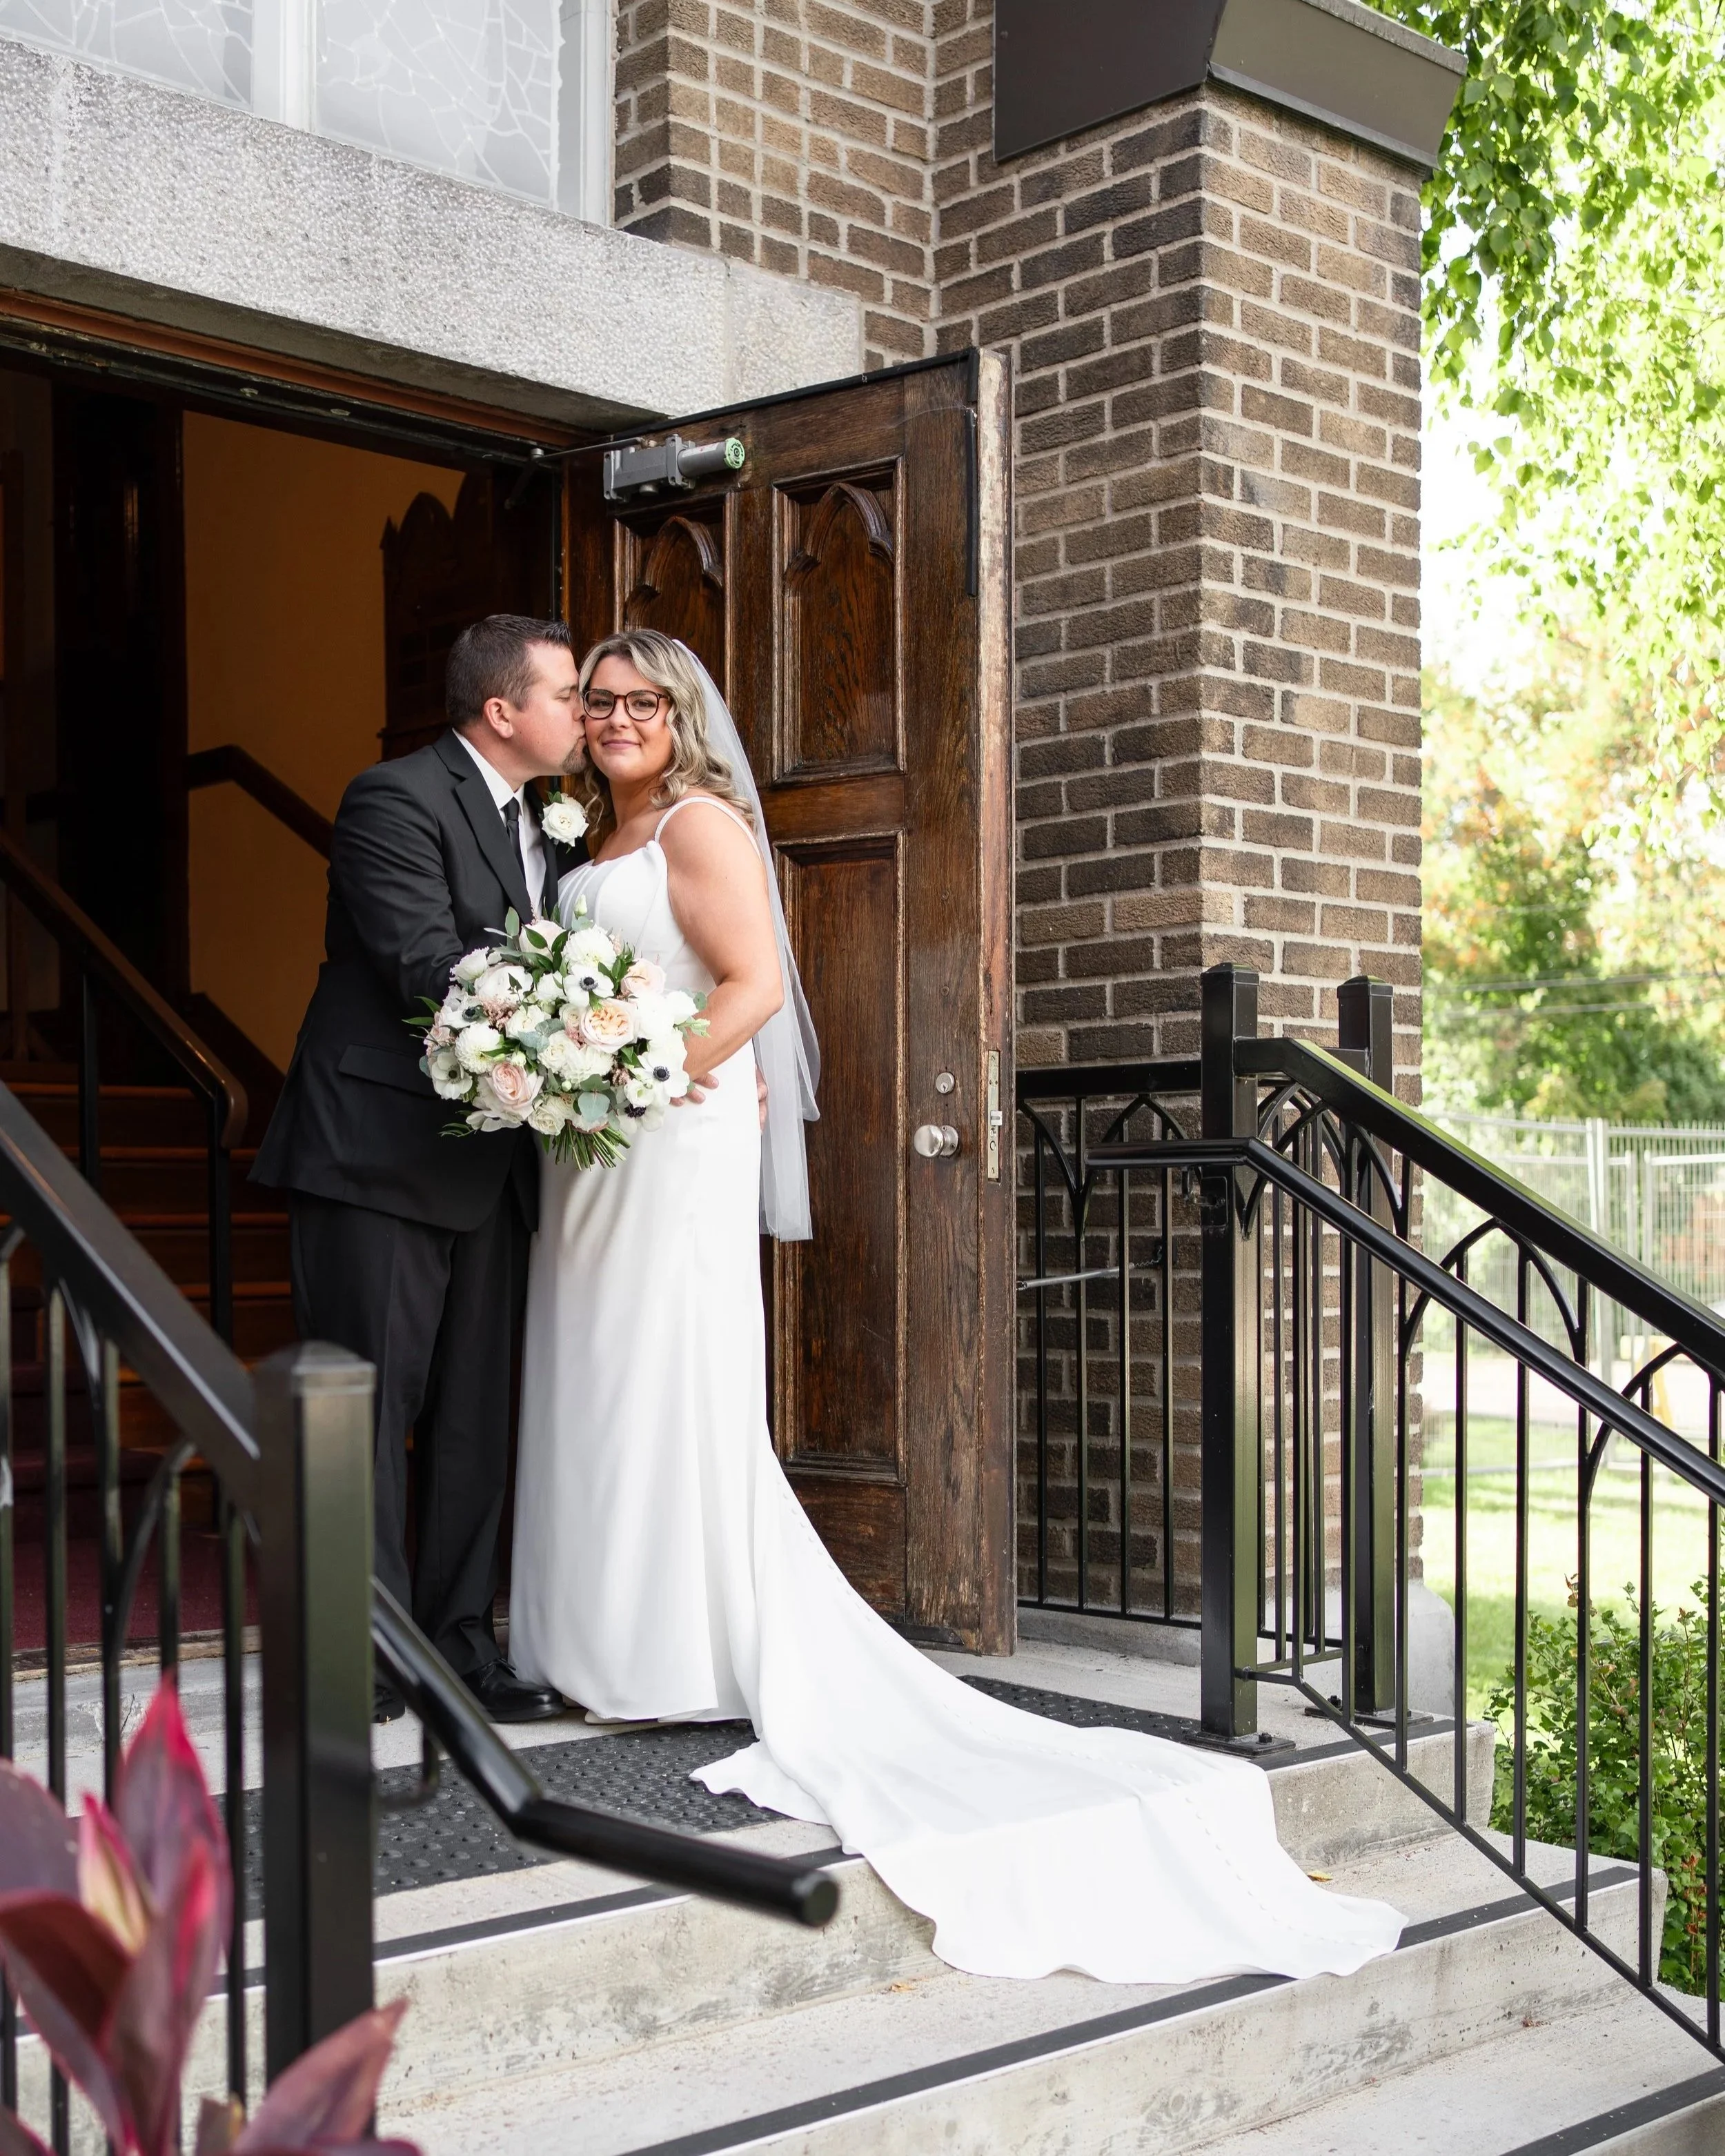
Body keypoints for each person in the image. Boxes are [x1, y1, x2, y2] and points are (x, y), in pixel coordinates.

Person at [506, 629, 1406, 1984]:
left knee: (659, 1379)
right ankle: (586, 1632)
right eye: (602, 702)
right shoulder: (572, 837)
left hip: (667, 1136)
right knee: (589, 1381)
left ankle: (670, 1645)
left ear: (682, 712)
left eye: (645, 700)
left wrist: (632, 1076)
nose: (621, 718)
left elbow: (750, 988)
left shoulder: (699, 827)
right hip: (593, 1151)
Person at [254, 614, 586, 1724]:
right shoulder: (392, 797)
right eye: (570, 694)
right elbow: (422, 963)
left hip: (496, 1160)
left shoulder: (562, 825)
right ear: (504, 712)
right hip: (377, 1151)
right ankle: (361, 1657)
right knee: (364, 1410)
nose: (586, 715)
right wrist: (595, 1033)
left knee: (470, 1421)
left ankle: (457, 1648)